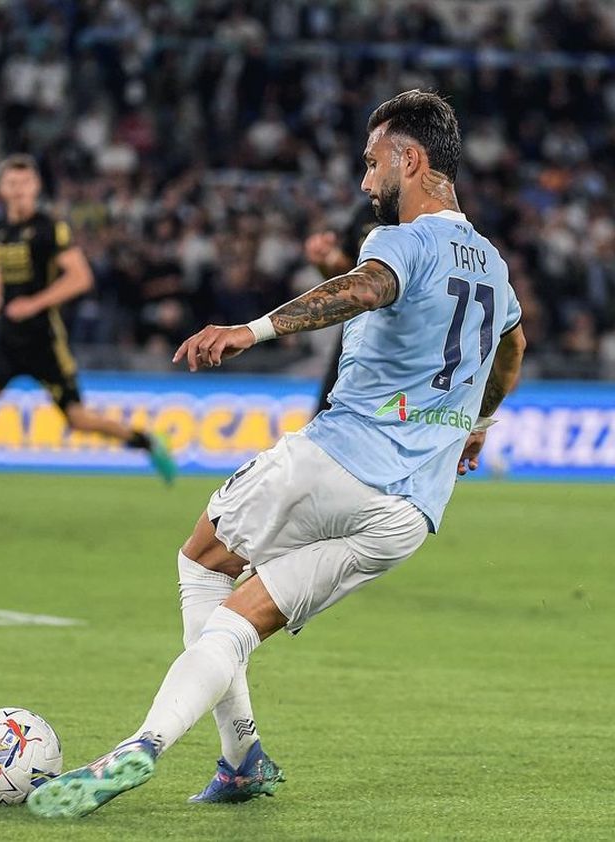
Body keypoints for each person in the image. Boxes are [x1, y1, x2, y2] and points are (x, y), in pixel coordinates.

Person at [27, 89, 527, 819]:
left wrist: (251, 330)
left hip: (339, 462)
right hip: (411, 515)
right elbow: (512, 347)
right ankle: (227, 760)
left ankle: (173, 746)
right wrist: (477, 421)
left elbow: (365, 289)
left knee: (202, 559)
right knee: (240, 619)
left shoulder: (400, 241)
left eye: (371, 164)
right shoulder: (492, 265)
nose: (365, 183)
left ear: (409, 159)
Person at [0, 155, 175, 508]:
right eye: (11, 183)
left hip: (43, 342)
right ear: (2, 189)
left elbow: (80, 277)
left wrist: (33, 303)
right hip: (7, 341)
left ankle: (147, 441)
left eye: (25, 183)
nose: (18, 190)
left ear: (36, 187)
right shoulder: (0, 229)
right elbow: (1, 263)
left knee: (79, 420)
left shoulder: (48, 228)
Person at [304, 200, 380, 413]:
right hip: (357, 336)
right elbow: (347, 273)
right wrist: (326, 261)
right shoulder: (368, 211)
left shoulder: (435, 218)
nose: (367, 183)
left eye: (375, 165)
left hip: (409, 344)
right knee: (328, 418)